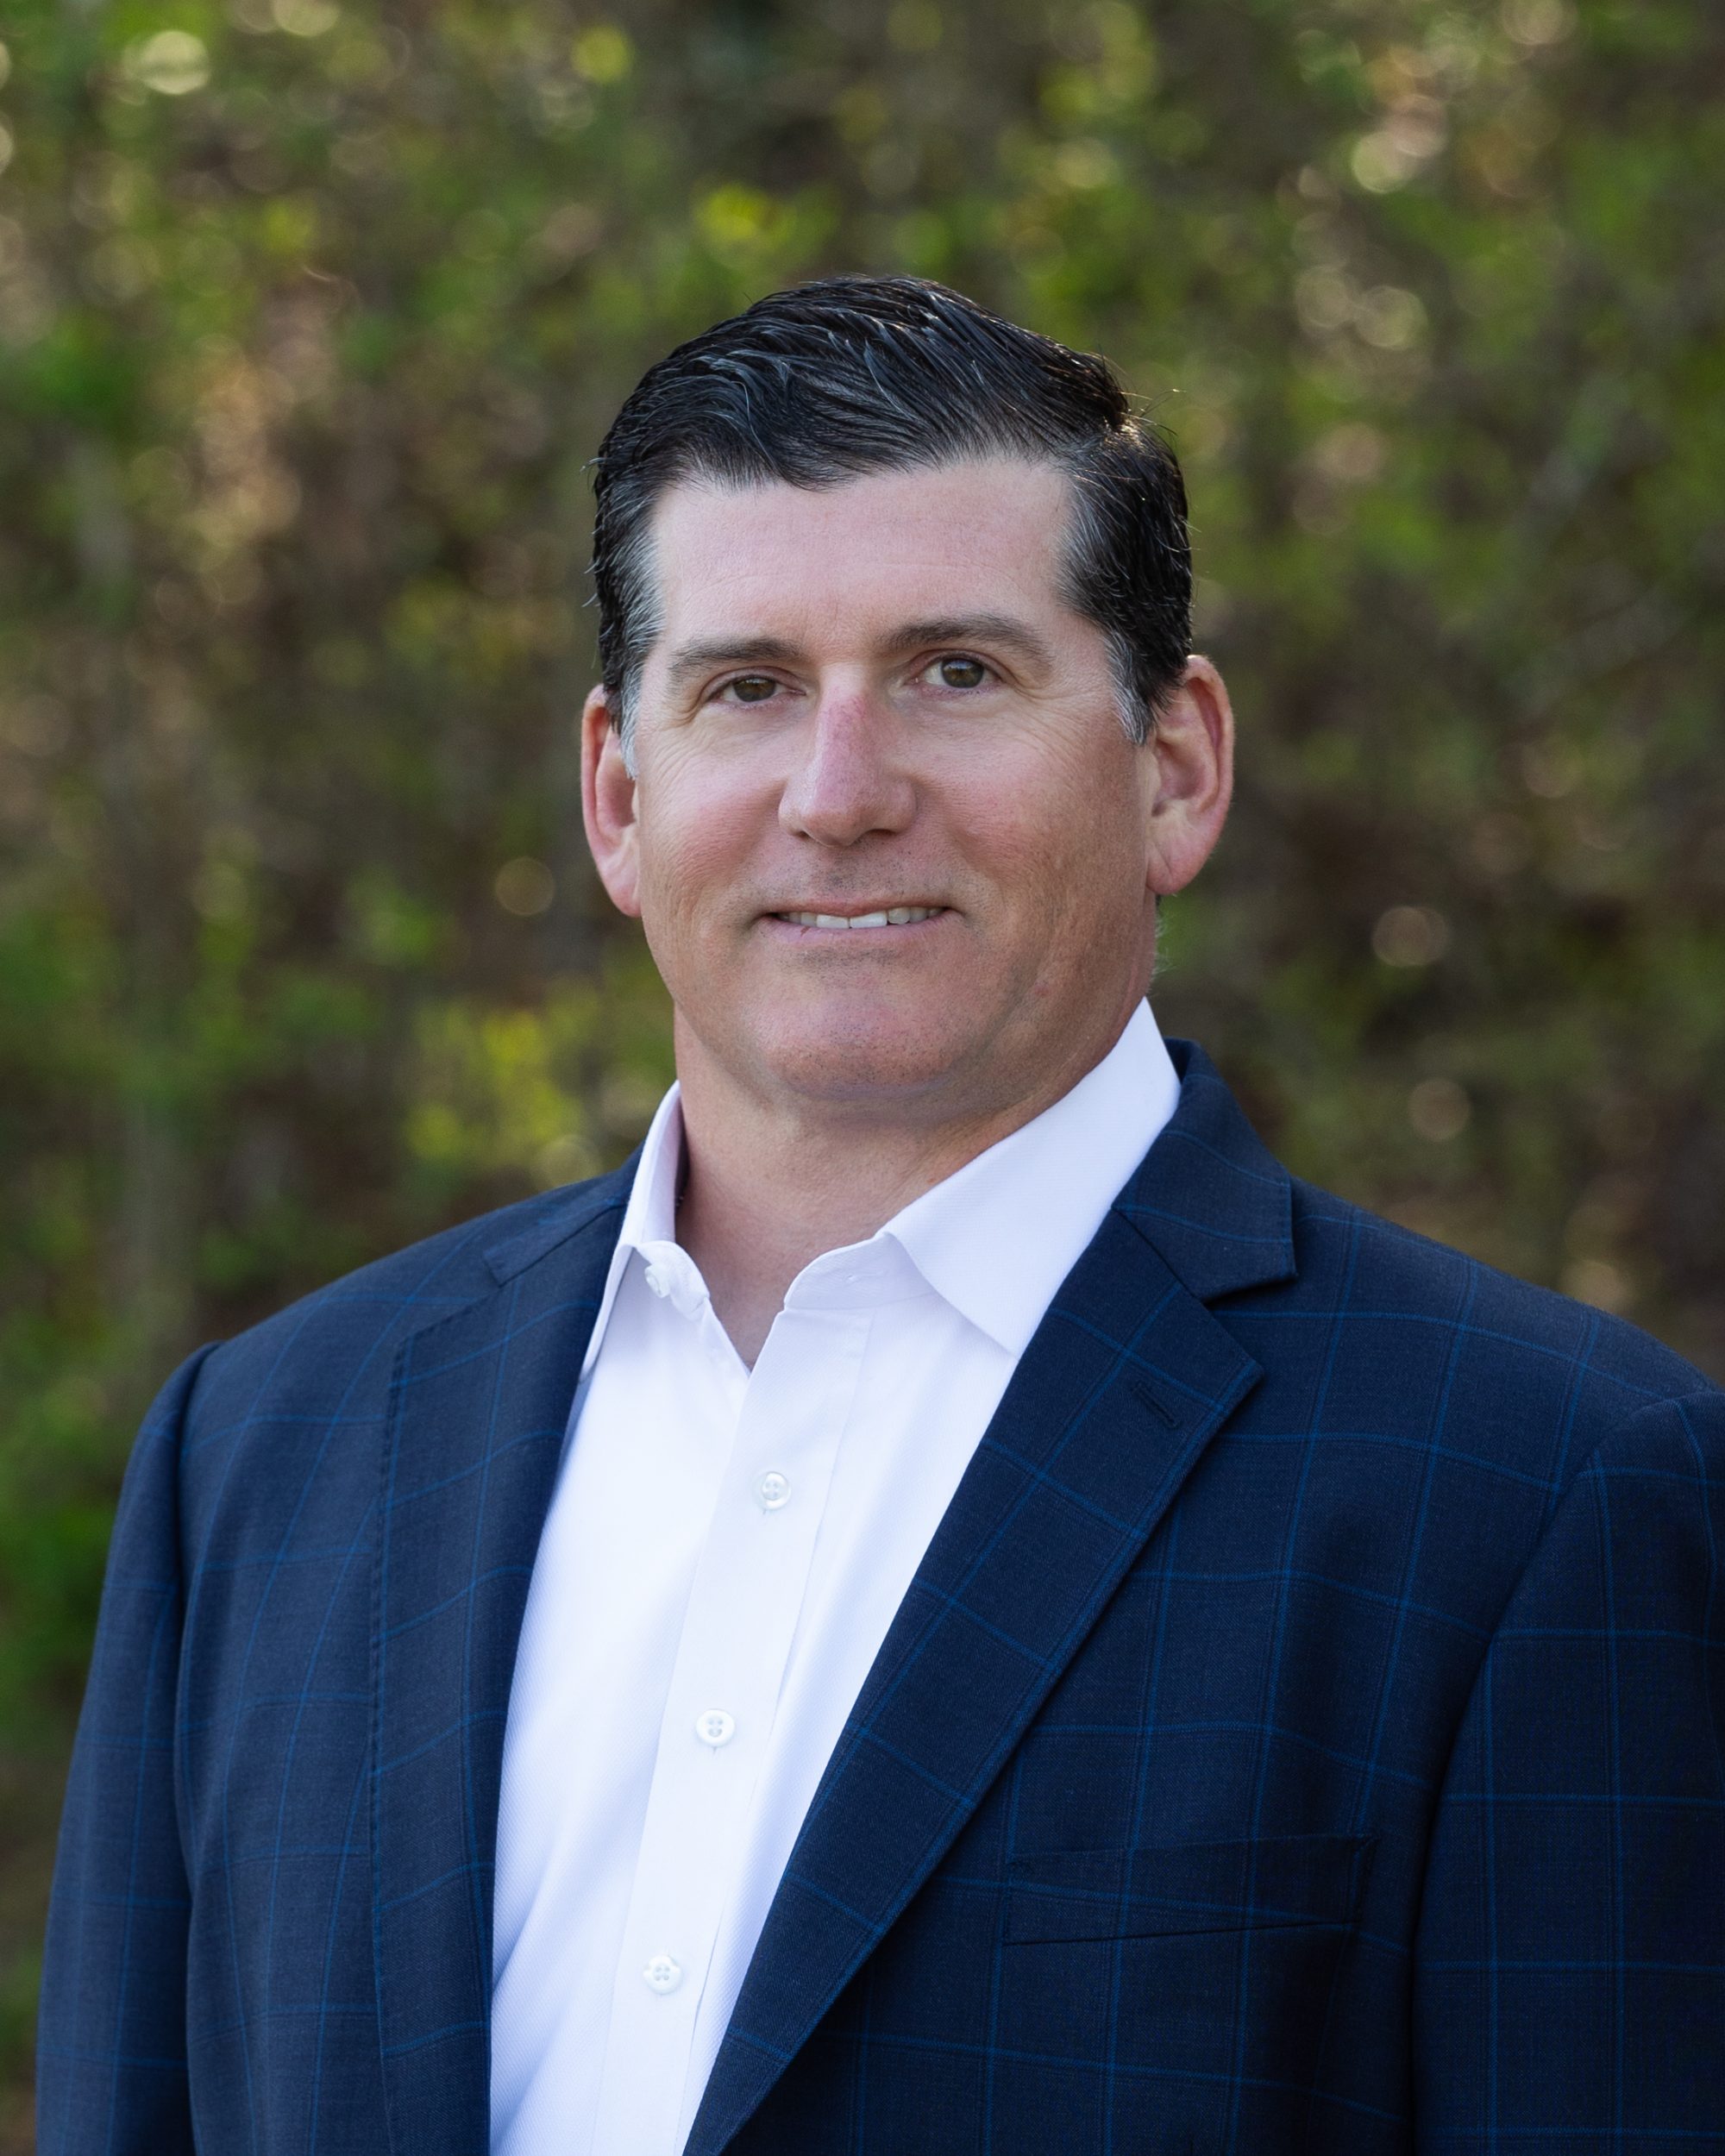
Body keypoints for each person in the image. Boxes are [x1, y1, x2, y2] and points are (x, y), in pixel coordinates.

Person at [38, 277, 1724, 2156]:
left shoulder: (1547, 1495)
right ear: (617, 795)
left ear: (1173, 769)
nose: (838, 797)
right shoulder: (267, 1451)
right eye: (748, 688)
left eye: (956, 674)